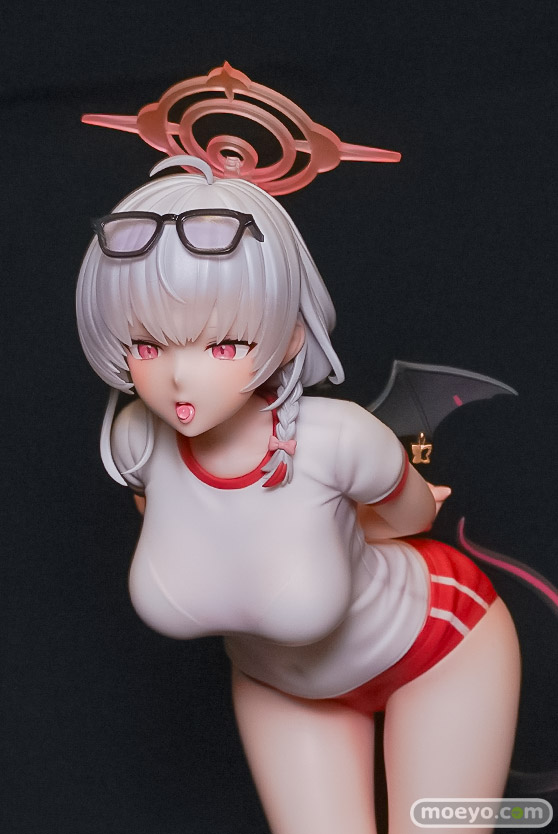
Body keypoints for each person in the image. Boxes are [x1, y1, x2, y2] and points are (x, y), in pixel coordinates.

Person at [76, 155, 520, 834]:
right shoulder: (137, 438)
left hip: (438, 647)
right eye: (147, 345)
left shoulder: (338, 437)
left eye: (224, 345)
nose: (179, 378)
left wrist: (340, 523)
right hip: (279, 686)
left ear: (288, 338)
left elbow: (413, 518)